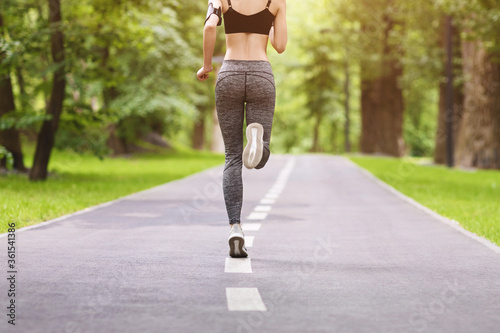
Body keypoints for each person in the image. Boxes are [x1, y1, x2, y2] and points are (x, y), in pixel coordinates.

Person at [197, 0, 287, 258]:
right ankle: (258, 145)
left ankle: (235, 227)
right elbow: (280, 46)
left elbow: (209, 28)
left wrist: (206, 65)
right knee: (258, 159)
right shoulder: (277, 2)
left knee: (232, 158)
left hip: (230, 75)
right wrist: (268, 23)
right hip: (261, 74)